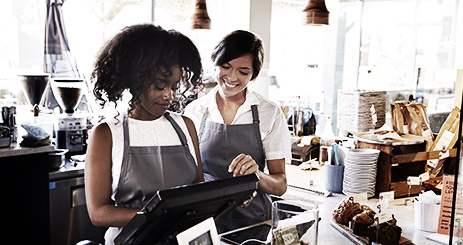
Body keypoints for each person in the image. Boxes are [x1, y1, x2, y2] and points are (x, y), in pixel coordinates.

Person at [85, 24, 203, 245]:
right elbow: (98, 213)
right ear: (136, 80)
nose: (169, 96)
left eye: (174, 86)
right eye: (160, 86)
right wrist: (159, 217)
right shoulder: (107, 134)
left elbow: (199, 192)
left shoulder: (186, 126)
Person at [184, 30, 291, 232]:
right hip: (205, 222)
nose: (232, 77)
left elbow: (280, 184)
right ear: (215, 63)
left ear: (253, 74)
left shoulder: (270, 113)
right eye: (225, 66)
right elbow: (187, 177)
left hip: (255, 222)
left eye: (243, 72)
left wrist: (257, 175)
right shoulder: (195, 111)